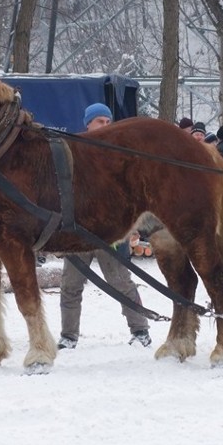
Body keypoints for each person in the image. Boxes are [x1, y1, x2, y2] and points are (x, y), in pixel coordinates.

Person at [58, 103, 151, 349]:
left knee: (121, 282)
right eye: (100, 121)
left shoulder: (121, 153)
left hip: (111, 232)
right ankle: (68, 335)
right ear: (88, 123)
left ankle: (140, 329)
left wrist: (130, 224)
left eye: (108, 121)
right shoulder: (72, 149)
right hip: (77, 231)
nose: (105, 126)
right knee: (70, 285)